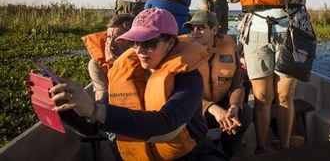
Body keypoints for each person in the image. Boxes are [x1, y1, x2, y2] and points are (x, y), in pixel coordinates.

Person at [50, 8, 228, 160]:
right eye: (136, 42)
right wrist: (65, 110)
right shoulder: (124, 72)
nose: (140, 50)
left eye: (149, 43)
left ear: (170, 43)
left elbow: (167, 127)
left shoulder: (188, 76)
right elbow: (95, 129)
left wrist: (94, 110)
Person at [228, 0, 316, 154]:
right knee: (262, 97)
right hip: (255, 32)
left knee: (285, 96)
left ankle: (285, 147)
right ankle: (261, 147)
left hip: (291, 34)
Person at [183, 10, 252, 158]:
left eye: (201, 28)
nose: (195, 32)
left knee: (245, 112)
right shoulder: (182, 54)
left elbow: (237, 85)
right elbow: (180, 95)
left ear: (214, 29)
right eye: (192, 28)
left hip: (220, 102)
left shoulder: (229, 48)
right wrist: (211, 108)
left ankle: (226, 153)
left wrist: (234, 107)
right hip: (194, 110)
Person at [81, 14, 134, 103]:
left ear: (132, 41)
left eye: (119, 39)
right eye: (109, 37)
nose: (111, 45)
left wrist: (118, 63)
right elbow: (102, 97)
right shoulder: (97, 64)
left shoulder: (144, 59)